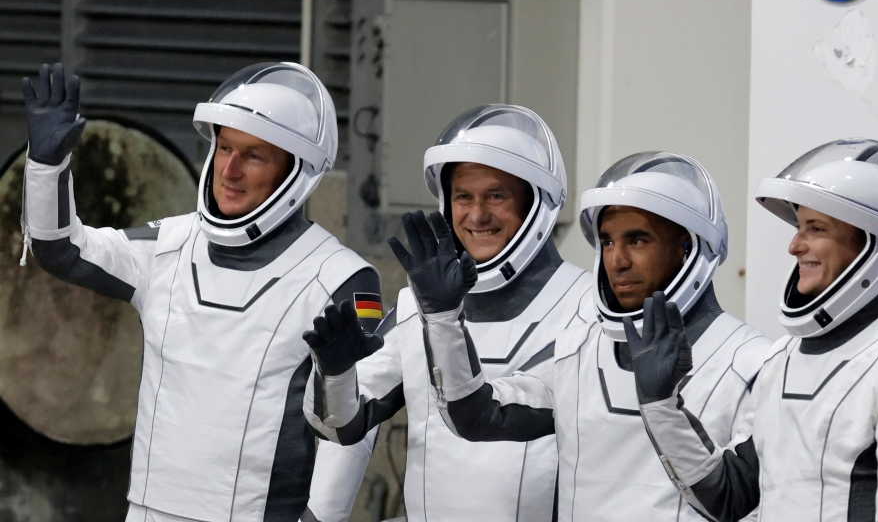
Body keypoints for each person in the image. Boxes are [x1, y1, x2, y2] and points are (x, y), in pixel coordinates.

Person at [320, 151, 770, 520]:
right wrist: (441, 317)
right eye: (608, 242)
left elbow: (732, 499)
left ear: (688, 247)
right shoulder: (581, 350)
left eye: (637, 240)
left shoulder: (754, 364)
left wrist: (661, 407)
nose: (616, 260)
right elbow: (476, 416)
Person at [21, 62, 377, 522]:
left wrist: (322, 517)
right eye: (224, 147)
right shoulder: (168, 245)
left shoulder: (344, 278)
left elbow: (350, 428)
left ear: (295, 172)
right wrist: (47, 167)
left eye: (253, 155)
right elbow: (62, 249)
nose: (228, 170)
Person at [632, 138, 878, 521]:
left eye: (816, 228)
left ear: (876, 242)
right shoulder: (784, 356)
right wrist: (662, 405)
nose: (795, 245)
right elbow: (728, 498)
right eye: (799, 227)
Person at [303, 105, 593, 521]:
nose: (476, 215)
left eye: (496, 195)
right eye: (463, 197)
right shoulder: (413, 307)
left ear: (537, 202)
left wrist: (441, 318)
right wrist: (334, 372)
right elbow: (342, 426)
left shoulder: (588, 312)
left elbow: (484, 416)